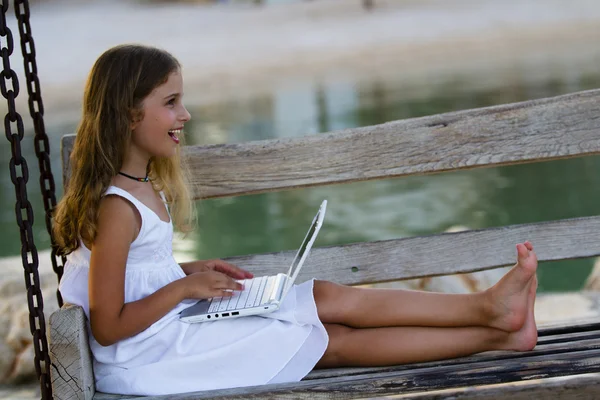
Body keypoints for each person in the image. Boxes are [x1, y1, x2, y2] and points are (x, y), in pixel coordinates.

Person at [53, 44, 539, 396]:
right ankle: (494, 328)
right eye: (170, 102)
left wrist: (187, 272)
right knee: (325, 341)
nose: (186, 112)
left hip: (171, 328)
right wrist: (181, 290)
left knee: (324, 296)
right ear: (128, 114)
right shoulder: (117, 207)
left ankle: (488, 312)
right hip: (154, 356)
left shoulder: (141, 187)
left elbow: (132, 279)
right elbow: (109, 327)